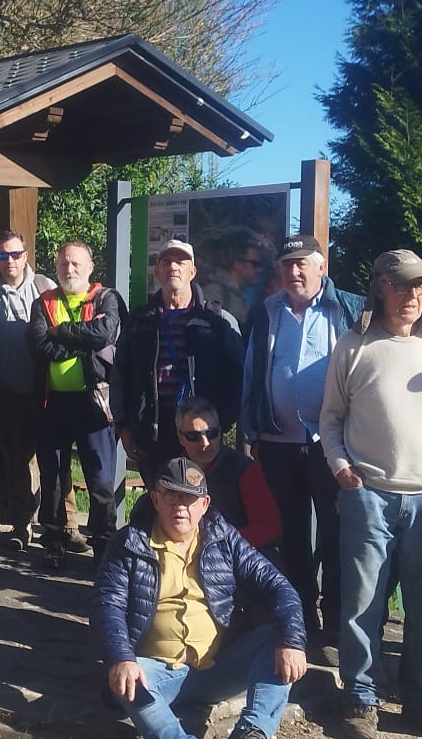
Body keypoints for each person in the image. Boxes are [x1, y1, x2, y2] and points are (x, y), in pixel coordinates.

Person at [317, 249, 422, 739]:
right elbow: (331, 419)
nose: (412, 295)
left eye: (420, 286)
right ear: (380, 286)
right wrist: (340, 467)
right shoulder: (354, 345)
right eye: (403, 285)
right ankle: (360, 696)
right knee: (362, 601)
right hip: (368, 496)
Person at [95, 458, 306, 739]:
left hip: (215, 669)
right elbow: (107, 605)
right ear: (156, 498)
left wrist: (292, 640)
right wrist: (120, 657)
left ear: (204, 504)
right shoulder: (127, 544)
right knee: (131, 682)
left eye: (190, 499)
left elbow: (278, 587)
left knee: (277, 638)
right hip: (156, 671)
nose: (181, 507)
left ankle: (250, 737)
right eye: (172, 496)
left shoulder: (225, 539)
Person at [239, 234, 364, 661]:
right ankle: (301, 623)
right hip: (276, 444)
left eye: (302, 264)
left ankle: (334, 628)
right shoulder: (267, 311)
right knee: (289, 536)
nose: (293, 272)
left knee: (335, 535)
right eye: (287, 265)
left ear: (321, 266)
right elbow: (252, 373)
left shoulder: (349, 308)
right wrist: (252, 429)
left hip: (332, 446)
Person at [27, 241, 123, 566]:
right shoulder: (43, 301)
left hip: (93, 403)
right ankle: (53, 542)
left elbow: (104, 332)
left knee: (100, 481)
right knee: (53, 477)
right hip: (51, 403)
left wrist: (62, 332)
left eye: (76, 263)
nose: (69, 269)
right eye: (64, 263)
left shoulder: (105, 297)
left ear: (90, 267)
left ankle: (104, 547)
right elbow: (39, 344)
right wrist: (79, 342)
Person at [116, 238, 244, 473]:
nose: (173, 267)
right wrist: (124, 426)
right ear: (158, 271)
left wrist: (221, 423)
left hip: (201, 433)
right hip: (152, 432)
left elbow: (239, 376)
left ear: (192, 271)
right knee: (160, 501)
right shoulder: (139, 320)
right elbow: (120, 373)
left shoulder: (218, 320)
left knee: (199, 501)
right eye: (166, 261)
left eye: (180, 262)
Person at [0, 230, 55, 550]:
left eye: (16, 254)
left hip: (46, 390)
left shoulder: (45, 288)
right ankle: (22, 525)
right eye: (3, 256)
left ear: (26, 255)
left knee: (52, 458)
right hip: (4, 392)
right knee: (17, 460)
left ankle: (64, 523)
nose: (10, 261)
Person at [175, 398, 280, 554]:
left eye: (212, 434)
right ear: (180, 438)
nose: (205, 443)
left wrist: (219, 543)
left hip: (236, 555)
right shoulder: (173, 473)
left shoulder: (245, 470)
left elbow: (270, 528)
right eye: (193, 436)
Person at [195, 235, 272, 329]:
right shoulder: (215, 293)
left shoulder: (238, 294)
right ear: (237, 264)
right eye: (255, 264)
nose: (259, 270)